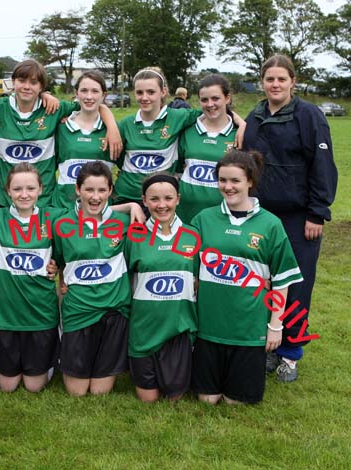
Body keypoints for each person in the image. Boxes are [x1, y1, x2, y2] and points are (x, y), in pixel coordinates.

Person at [243, 54, 338, 382]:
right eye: (270, 79)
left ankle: (291, 354)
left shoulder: (310, 115)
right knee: (262, 283)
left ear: (293, 82)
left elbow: (322, 166)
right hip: (260, 215)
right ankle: (269, 345)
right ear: (262, 82)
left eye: (282, 79)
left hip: (299, 218)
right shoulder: (253, 116)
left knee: (296, 284)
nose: (275, 84)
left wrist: (317, 212)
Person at [191, 150, 303, 404]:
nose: (228, 187)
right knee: (207, 400)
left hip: (249, 330)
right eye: (222, 180)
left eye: (235, 181)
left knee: (236, 402)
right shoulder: (203, 219)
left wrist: (275, 327)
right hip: (209, 328)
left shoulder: (270, 224)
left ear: (250, 181)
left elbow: (282, 280)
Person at [0, 59, 122, 207]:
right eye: (21, 80)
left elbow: (90, 104)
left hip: (43, 201)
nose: (27, 87)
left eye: (34, 82)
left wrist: (112, 127)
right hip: (6, 201)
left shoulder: (53, 109)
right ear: (13, 82)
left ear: (41, 87)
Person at [54, 161, 131, 396]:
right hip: (78, 308)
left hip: (113, 309)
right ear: (78, 190)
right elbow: (57, 260)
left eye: (101, 190)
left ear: (110, 191)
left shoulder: (125, 223)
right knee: (77, 391)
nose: (95, 197)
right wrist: (60, 280)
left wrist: (132, 206)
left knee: (99, 392)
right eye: (89, 190)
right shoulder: (61, 223)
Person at [115, 67, 245, 205]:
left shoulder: (178, 117)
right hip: (125, 197)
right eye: (139, 92)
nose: (145, 97)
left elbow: (210, 110)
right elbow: (119, 157)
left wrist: (242, 124)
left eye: (151, 92)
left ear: (163, 92)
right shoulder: (125, 124)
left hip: (160, 201)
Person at [0, 163, 64, 392]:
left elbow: (89, 220)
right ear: (7, 191)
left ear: (41, 189)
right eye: (17, 189)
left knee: (33, 386)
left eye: (30, 188)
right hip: (5, 315)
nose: (24, 194)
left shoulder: (53, 218)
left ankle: (51, 358)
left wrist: (58, 264)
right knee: (7, 386)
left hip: (40, 313)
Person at [125, 173, 198, 402]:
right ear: (144, 201)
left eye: (168, 198)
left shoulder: (193, 235)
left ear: (178, 199)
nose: (162, 205)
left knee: (174, 395)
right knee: (148, 399)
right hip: (143, 329)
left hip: (178, 328)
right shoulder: (134, 236)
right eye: (154, 199)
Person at [177, 74, 237, 224]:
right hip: (185, 216)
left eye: (215, 98)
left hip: (222, 218)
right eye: (204, 100)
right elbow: (177, 170)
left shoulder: (239, 133)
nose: (210, 104)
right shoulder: (187, 131)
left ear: (227, 98)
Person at [53, 70, 114, 209]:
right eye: (84, 90)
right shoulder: (61, 128)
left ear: (103, 95)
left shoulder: (112, 131)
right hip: (64, 207)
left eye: (95, 91)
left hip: (100, 210)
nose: (89, 96)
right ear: (76, 93)